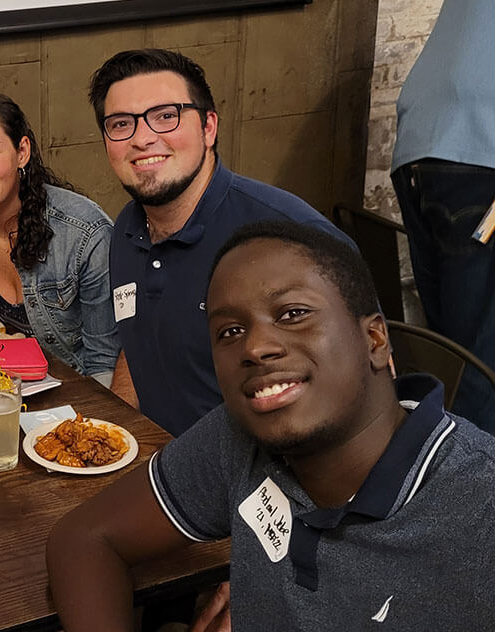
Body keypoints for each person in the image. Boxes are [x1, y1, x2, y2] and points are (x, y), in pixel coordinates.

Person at [47, 220, 495, 632]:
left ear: (374, 340)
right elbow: (86, 539)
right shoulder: (240, 439)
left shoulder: (479, 512)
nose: (256, 347)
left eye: (293, 313)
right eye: (230, 332)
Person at [88, 48, 351, 436]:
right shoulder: (127, 228)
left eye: (165, 116)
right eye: (121, 124)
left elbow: (355, 388)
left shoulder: (286, 237)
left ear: (208, 127)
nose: (143, 138)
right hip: (161, 464)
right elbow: (139, 336)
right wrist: (117, 434)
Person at [0, 93, 119, 385]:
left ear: (22, 152)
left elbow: (105, 366)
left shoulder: (84, 234)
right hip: (14, 388)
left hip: (80, 398)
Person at [392, 0, 495, 434]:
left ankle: (434, 461)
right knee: (479, 351)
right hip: (480, 141)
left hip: (421, 138)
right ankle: (470, 485)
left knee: (448, 340)